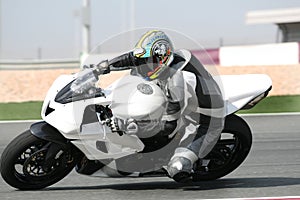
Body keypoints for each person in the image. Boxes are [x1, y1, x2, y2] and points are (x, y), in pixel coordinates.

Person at [106, 30, 225, 182]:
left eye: (150, 62)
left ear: (162, 58)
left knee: (177, 168)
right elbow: (132, 57)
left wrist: (134, 126)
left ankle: (180, 162)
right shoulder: (167, 61)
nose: (145, 66)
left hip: (203, 122)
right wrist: (104, 67)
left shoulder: (177, 83)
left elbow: (168, 126)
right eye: (145, 61)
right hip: (189, 102)